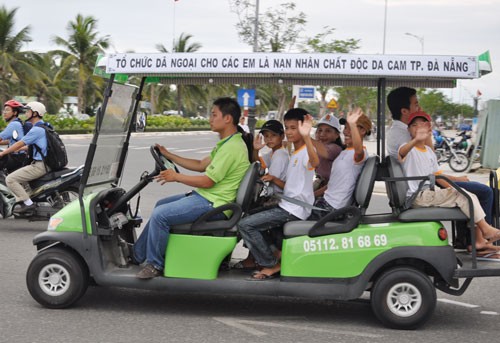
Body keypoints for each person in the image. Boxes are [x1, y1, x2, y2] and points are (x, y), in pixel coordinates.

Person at [132, 97, 251, 279]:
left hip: (215, 204)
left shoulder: (232, 148)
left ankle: (154, 264)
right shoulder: (227, 144)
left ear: (228, 119)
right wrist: (168, 154)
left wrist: (176, 177)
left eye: (214, 115)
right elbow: (200, 164)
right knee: (160, 205)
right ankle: (138, 255)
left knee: (160, 215)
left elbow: (207, 182)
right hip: (209, 197)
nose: (210, 119)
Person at [386, 86, 494, 225]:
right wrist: (419, 137)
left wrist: (427, 134)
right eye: (416, 104)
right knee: (484, 192)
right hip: (421, 186)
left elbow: (430, 158)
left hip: (426, 180)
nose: (420, 108)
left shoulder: (406, 130)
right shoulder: (403, 134)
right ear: (404, 111)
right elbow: (429, 169)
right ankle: (481, 238)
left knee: (470, 190)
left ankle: (470, 238)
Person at [399, 111, 500, 252]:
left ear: (428, 128)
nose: (418, 128)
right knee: (463, 196)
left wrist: (456, 186)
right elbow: (402, 153)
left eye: (422, 125)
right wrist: (415, 140)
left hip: (429, 193)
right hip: (418, 196)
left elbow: (438, 176)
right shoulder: (408, 148)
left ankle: (479, 239)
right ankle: (485, 230)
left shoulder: (428, 152)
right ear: (408, 129)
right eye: (414, 125)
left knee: (469, 195)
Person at [237, 108, 319, 280]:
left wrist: (307, 135)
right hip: (286, 205)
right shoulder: (294, 152)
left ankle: (270, 263)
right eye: (287, 127)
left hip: (294, 210)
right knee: (249, 217)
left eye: (293, 128)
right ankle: (269, 257)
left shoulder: (305, 153)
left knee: (246, 225)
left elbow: (315, 161)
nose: (289, 132)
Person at [233, 119, 288, 270]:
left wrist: (271, 178)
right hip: (274, 199)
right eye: (266, 136)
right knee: (249, 214)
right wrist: (256, 150)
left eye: (273, 135)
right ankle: (254, 256)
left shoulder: (281, 156)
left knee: (247, 220)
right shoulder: (274, 153)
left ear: (282, 136)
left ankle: (267, 259)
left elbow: (268, 177)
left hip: (279, 201)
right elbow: (260, 165)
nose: (269, 139)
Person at [310, 108, 371, 219]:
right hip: (325, 203)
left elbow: (358, 150)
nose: (345, 132)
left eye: (350, 128)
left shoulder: (359, 154)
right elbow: (332, 185)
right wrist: (312, 195)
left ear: (362, 131)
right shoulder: (345, 152)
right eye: (346, 128)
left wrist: (305, 136)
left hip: (332, 208)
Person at [0, 101, 48, 215]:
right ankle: (23, 198)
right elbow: (25, 144)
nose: (25, 113)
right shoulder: (43, 126)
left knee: (10, 179)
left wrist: (3, 153)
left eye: (28, 111)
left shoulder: (35, 129)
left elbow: (19, 143)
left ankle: (28, 204)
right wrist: (19, 148)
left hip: (39, 164)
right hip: (42, 162)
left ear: (35, 113)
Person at [312, 114, 344, 197]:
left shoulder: (335, 148)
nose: (322, 134)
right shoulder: (316, 148)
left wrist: (304, 137)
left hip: (328, 193)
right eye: (319, 130)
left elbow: (325, 152)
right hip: (319, 186)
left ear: (337, 135)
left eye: (328, 131)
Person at [0, 100, 29, 172]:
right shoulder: (18, 122)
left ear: (15, 112)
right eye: (4, 110)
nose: (4, 112)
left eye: (7, 110)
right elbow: (12, 140)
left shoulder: (14, 124)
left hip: (16, 157)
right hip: (20, 156)